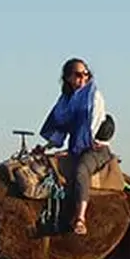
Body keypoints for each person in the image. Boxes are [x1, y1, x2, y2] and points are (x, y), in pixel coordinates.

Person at [39, 57, 112, 235]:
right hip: (76, 147)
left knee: (80, 171)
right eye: (78, 75)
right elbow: (60, 127)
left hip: (94, 148)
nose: (83, 78)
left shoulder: (94, 96)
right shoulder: (66, 100)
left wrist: (73, 149)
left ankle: (80, 219)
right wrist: (47, 147)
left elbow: (91, 127)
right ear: (68, 78)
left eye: (86, 74)